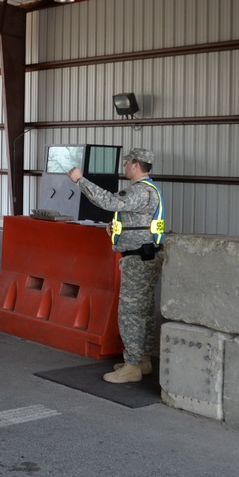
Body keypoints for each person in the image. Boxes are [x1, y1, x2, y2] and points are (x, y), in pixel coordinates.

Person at [67, 148, 165, 384]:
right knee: (143, 310)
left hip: (138, 258)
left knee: (131, 312)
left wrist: (80, 180)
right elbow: (134, 220)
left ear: (135, 164)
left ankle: (132, 367)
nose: (124, 167)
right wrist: (117, 229)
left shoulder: (141, 191)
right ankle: (142, 360)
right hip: (144, 255)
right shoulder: (147, 190)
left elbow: (109, 201)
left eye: (127, 163)